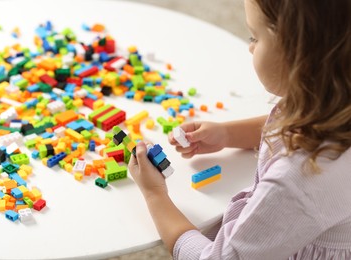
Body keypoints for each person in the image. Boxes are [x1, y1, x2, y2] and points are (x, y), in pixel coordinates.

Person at [128, 0, 351, 259]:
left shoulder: (293, 182)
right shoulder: (333, 95)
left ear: (298, 56)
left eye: (254, 37)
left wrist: (155, 195)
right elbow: (298, 127)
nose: (250, 47)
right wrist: (228, 134)